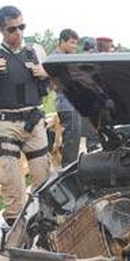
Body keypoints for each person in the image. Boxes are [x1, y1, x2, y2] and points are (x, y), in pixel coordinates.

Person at [0, 5, 51, 226]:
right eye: (12, 29)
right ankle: (16, 233)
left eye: (22, 27)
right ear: (1, 30)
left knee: (43, 179)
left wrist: (47, 74)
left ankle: (43, 226)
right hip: (6, 123)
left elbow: (57, 86)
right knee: (11, 184)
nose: (18, 33)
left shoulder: (37, 51)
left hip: (34, 121)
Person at [53, 28, 83, 166]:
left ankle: (70, 167)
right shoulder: (57, 59)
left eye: (75, 43)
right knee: (71, 141)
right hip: (66, 103)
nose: (74, 46)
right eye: (71, 43)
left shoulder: (65, 58)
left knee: (73, 139)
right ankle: (68, 171)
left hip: (70, 103)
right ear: (62, 41)